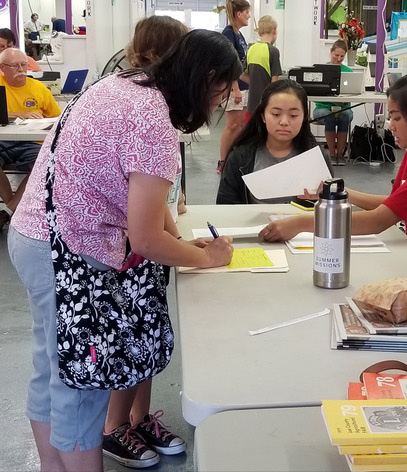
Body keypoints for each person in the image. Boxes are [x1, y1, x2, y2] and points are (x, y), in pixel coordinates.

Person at [8, 29, 239, 472]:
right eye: (222, 90)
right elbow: (148, 239)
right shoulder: (153, 121)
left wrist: (183, 246)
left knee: (50, 369)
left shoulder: (122, 85)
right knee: (81, 384)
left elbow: (136, 200)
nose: (221, 102)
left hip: (34, 236)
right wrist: (208, 257)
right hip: (69, 255)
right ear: (206, 78)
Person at [99, 15, 189, 470]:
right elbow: (144, 227)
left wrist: (176, 234)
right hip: (120, 248)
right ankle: (114, 428)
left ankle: (137, 419)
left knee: (149, 334)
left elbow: (154, 192)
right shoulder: (142, 104)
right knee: (129, 339)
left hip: (140, 245)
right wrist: (197, 254)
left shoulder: (150, 99)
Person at [260, 70, 407, 248]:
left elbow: (376, 221)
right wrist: (335, 192)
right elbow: (394, 204)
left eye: (397, 117)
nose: (390, 125)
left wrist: (300, 223)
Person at [217, 79, 332, 204]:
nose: (284, 122)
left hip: (300, 223)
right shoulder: (240, 157)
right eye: (276, 114)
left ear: (304, 117)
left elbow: (330, 208)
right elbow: (225, 206)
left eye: (293, 115)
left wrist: (317, 202)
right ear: (263, 116)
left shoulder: (317, 158)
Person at [0, 48, 61, 230]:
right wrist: (18, 115)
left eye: (23, 64)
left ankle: (7, 211)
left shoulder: (39, 88)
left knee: (42, 166)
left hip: (32, 142)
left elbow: (58, 119)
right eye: (15, 65)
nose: (21, 69)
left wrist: (43, 121)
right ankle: (12, 205)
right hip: (4, 140)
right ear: (3, 67)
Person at [219, 0, 251, 174]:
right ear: (238, 14)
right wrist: (235, 88)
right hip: (234, 87)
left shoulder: (239, 34)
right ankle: (222, 161)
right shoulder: (229, 33)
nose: (248, 16)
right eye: (246, 12)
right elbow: (229, 63)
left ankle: (233, 159)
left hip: (242, 86)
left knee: (241, 124)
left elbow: (242, 64)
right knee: (232, 125)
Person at [312, 39, 354, 165]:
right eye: (337, 55)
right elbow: (315, 93)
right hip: (322, 108)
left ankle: (340, 155)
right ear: (331, 53)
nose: (339, 59)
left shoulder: (348, 71)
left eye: (342, 56)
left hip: (343, 108)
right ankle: (332, 154)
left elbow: (352, 92)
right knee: (329, 116)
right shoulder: (321, 70)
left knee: (345, 116)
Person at [246, 15, 282, 117]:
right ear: (274, 30)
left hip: (251, 104)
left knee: (252, 131)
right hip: (266, 103)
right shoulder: (273, 51)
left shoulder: (251, 49)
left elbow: (242, 75)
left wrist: (255, 82)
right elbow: (274, 80)